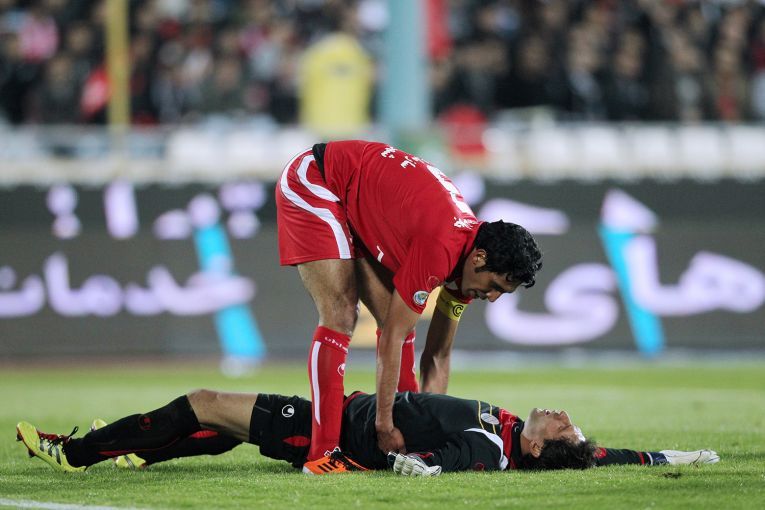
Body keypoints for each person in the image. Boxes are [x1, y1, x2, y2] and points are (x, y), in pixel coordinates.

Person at [275, 140, 543, 473]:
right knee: (341, 314)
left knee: (399, 318)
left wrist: (427, 428)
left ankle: (401, 429)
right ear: (479, 258)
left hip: (357, 200)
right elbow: (392, 337)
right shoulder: (441, 247)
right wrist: (384, 425)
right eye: (495, 287)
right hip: (317, 179)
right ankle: (322, 454)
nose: (491, 297)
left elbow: (438, 355)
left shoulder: (469, 266)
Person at [15, 387, 719, 476]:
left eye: (563, 425)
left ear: (540, 446)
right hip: (337, 412)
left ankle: (76, 453)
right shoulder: (508, 427)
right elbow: (602, 455)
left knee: (203, 404)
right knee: (228, 429)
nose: (562, 413)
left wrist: (416, 468)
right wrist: (672, 455)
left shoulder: (490, 446)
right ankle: (135, 451)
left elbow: (438, 462)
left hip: (331, 428)